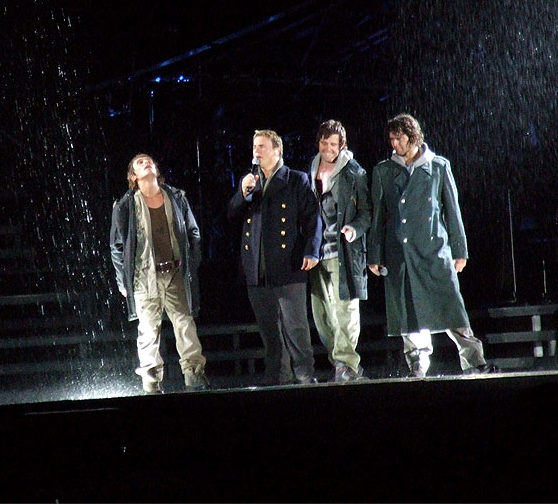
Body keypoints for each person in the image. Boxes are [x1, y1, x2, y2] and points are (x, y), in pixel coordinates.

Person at [366, 114, 494, 377]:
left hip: (435, 251)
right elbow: (378, 217)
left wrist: (460, 251)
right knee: (410, 314)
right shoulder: (383, 171)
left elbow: (452, 211)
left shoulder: (438, 166)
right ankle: (418, 366)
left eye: (398, 138)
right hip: (401, 253)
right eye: (391, 138)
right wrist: (375, 254)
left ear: (412, 137)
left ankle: (474, 361)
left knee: (451, 308)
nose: (394, 143)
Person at [228, 129, 322, 385]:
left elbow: (313, 219)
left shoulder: (295, 180)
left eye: (262, 146)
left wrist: (312, 250)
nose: (256, 151)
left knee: (296, 329)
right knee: (270, 331)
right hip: (256, 269)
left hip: (288, 266)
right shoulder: (250, 182)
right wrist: (243, 194)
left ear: (277, 150)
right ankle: (277, 377)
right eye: (254, 146)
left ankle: (304, 375)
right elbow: (231, 216)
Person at [110, 153, 209, 393]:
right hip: (145, 277)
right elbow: (117, 246)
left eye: (149, 161)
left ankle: (194, 378)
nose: (146, 163)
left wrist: (191, 265)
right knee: (148, 332)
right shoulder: (125, 206)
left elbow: (193, 232)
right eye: (139, 163)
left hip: (175, 272)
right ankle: (151, 384)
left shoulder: (175, 197)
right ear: (133, 176)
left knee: (185, 325)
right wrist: (124, 280)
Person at [307, 120, 372, 382]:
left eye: (333, 144)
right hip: (318, 253)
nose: (328, 148)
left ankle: (347, 363)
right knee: (323, 315)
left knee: (345, 310)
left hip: (343, 253)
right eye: (324, 143)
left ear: (341, 145)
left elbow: (367, 212)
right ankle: (340, 363)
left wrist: (354, 229)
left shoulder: (353, 173)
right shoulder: (311, 169)